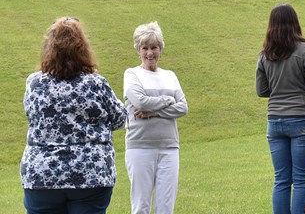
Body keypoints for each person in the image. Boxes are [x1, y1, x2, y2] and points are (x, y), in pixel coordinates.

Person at [20, 17, 127, 214]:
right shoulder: (95, 83)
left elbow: (31, 115)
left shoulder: (34, 83)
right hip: (91, 175)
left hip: (42, 175)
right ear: (83, 48)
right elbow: (120, 118)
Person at [256, 4, 305, 214]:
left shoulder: (265, 54)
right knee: (301, 181)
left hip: (275, 121)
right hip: (303, 119)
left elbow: (261, 90)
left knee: (281, 180)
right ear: (295, 22)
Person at [124, 21, 188, 214]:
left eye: (154, 47)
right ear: (138, 50)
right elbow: (140, 102)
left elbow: (183, 107)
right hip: (140, 147)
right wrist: (168, 100)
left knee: (166, 207)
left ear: (160, 49)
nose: (150, 53)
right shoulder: (132, 74)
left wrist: (154, 112)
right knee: (141, 206)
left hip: (169, 148)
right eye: (145, 48)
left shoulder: (170, 75)